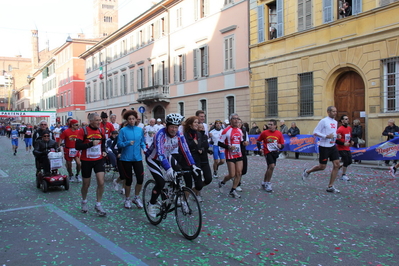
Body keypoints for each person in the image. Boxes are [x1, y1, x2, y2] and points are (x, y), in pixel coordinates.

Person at [145, 113, 202, 218]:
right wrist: (168, 169)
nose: (174, 129)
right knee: (160, 182)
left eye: (176, 127)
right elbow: (160, 154)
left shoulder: (179, 135)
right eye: (172, 126)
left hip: (167, 157)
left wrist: (193, 165)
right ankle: (151, 204)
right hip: (154, 158)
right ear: (167, 126)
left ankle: (173, 193)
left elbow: (186, 151)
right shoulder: (160, 134)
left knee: (179, 171)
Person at [75, 113, 108, 216]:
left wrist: (103, 150)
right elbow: (77, 146)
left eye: (100, 120)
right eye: (97, 120)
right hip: (86, 160)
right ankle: (84, 201)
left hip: (98, 159)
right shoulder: (83, 131)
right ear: (91, 121)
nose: (99, 122)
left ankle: (98, 204)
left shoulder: (101, 130)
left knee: (101, 182)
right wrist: (90, 144)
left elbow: (103, 142)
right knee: (86, 184)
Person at [302, 106, 341, 193]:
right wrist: (326, 136)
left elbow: (333, 133)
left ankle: (330, 186)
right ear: (328, 112)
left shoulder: (335, 122)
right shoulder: (323, 121)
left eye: (336, 111)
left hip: (332, 146)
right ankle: (308, 171)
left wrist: (336, 136)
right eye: (333, 111)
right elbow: (315, 132)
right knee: (322, 167)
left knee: (337, 164)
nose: (335, 113)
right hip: (324, 147)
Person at [117, 110, 146, 209]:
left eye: (133, 119)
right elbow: (119, 144)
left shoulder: (140, 130)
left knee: (140, 179)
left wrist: (145, 149)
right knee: (128, 180)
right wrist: (127, 143)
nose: (131, 121)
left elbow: (142, 142)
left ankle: (136, 197)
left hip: (137, 158)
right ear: (127, 120)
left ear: (135, 119)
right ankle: (127, 199)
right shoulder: (123, 130)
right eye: (129, 119)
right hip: (126, 159)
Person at [217, 113, 244, 199]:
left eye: (237, 118)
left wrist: (244, 143)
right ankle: (222, 182)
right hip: (230, 154)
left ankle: (233, 190)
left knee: (239, 173)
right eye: (234, 119)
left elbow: (241, 142)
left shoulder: (240, 130)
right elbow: (219, 142)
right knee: (232, 174)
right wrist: (228, 147)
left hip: (238, 154)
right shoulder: (226, 130)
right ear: (231, 120)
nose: (236, 120)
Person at [183, 116, 209, 202]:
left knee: (199, 185)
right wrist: (193, 144)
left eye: (197, 122)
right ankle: (184, 201)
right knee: (188, 184)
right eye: (195, 122)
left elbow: (202, 145)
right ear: (190, 125)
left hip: (197, 161)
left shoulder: (198, 134)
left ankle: (192, 193)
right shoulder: (185, 135)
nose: (197, 124)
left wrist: (201, 149)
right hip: (187, 161)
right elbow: (184, 148)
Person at [257, 119, 284, 192]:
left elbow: (282, 144)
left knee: (269, 167)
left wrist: (280, 146)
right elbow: (258, 141)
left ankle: (264, 182)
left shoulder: (279, 133)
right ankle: (268, 183)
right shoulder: (264, 133)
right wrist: (260, 149)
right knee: (272, 166)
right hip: (267, 151)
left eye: (271, 125)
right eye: (269, 124)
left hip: (274, 152)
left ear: (275, 126)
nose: (269, 126)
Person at [336, 115, 353, 181]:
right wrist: (343, 143)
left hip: (347, 147)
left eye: (348, 119)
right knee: (346, 160)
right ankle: (343, 175)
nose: (347, 120)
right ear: (342, 121)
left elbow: (349, 137)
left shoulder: (349, 128)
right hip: (341, 148)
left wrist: (351, 141)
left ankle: (339, 166)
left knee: (350, 161)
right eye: (346, 119)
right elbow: (336, 140)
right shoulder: (340, 129)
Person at [236, 119, 249, 192]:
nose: (239, 124)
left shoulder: (244, 131)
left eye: (240, 123)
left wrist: (246, 143)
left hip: (243, 151)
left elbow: (247, 140)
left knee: (244, 170)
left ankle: (235, 179)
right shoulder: (233, 131)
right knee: (238, 170)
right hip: (235, 152)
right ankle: (237, 183)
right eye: (238, 123)